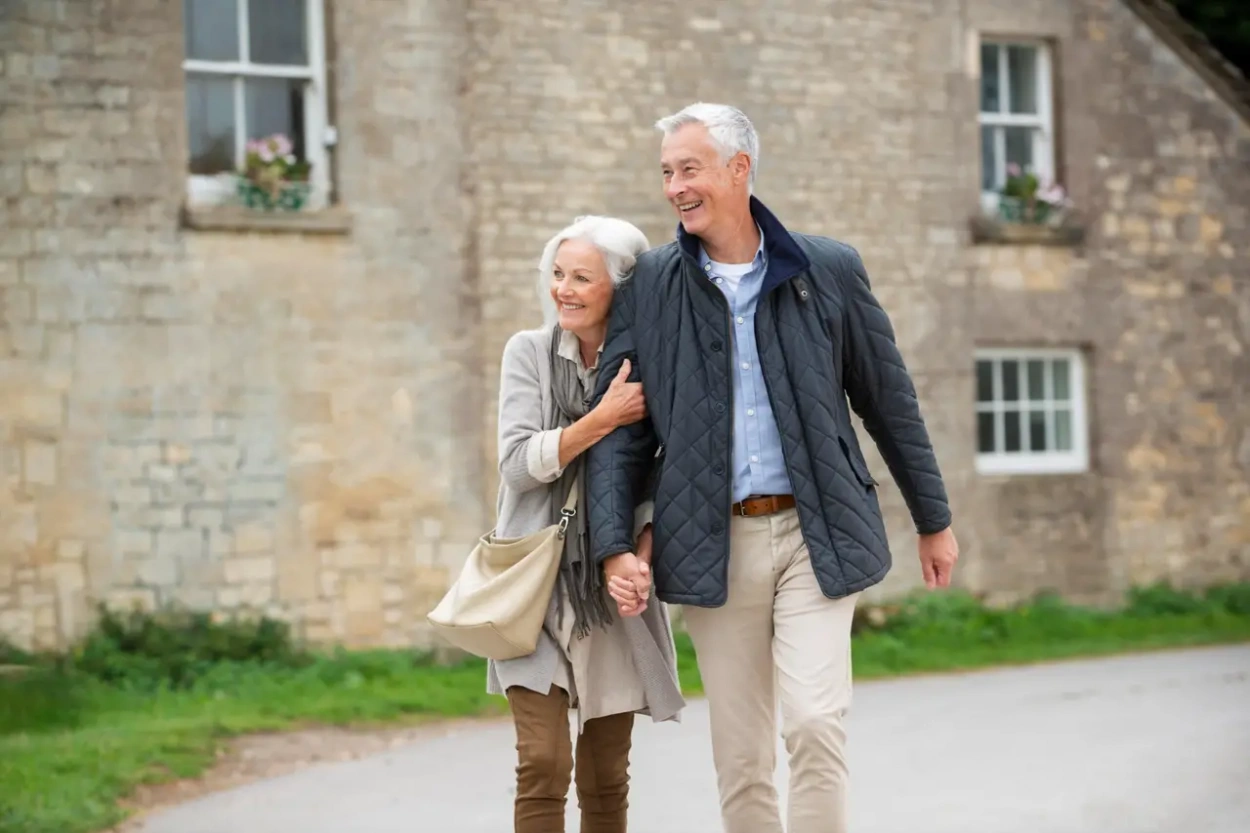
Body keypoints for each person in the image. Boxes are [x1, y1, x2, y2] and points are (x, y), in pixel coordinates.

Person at [588, 103, 960, 833]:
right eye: (666, 172)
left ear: (739, 168)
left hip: (813, 531)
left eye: (688, 169)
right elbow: (620, 432)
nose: (674, 187)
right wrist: (610, 545)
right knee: (743, 754)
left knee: (817, 722)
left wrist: (933, 518)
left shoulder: (828, 270)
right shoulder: (652, 285)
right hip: (710, 544)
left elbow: (888, 401)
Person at [487, 215, 685, 833]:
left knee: (605, 778)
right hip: (533, 591)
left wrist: (643, 553)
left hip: (612, 591)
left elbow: (663, 476)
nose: (562, 289)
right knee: (542, 763)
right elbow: (519, 465)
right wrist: (601, 419)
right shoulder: (529, 353)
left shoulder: (653, 367)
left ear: (620, 290)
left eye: (580, 277)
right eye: (557, 273)